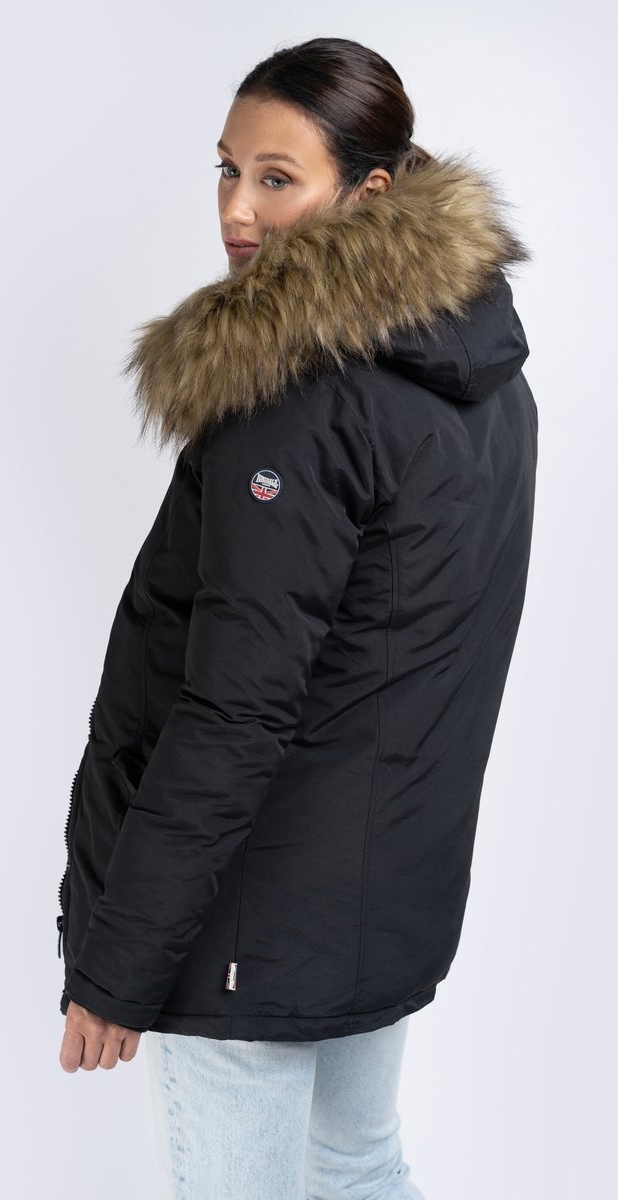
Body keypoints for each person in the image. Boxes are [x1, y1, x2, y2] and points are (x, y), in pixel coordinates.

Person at [56, 35, 538, 1200]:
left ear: (366, 192)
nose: (236, 208)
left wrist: (118, 964)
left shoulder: (297, 399)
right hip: (385, 895)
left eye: (277, 178)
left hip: (247, 921)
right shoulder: (484, 379)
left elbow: (233, 709)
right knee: (356, 1165)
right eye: (227, 170)